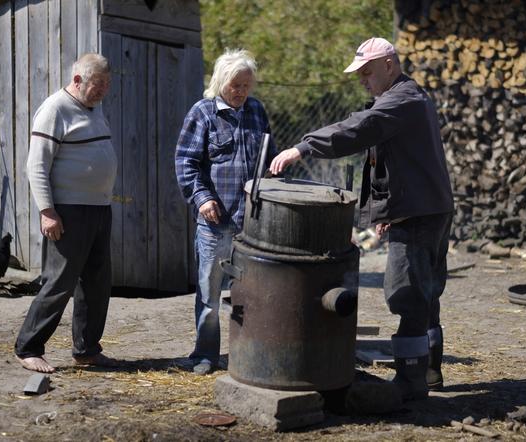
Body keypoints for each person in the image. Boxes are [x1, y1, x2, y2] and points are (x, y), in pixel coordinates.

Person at [270, 37, 454, 400]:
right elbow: (397, 163)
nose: (362, 80)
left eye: (367, 72)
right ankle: (429, 373)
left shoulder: (401, 100)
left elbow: (357, 129)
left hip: (419, 214)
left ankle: (410, 382)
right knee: (426, 295)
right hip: (424, 207)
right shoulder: (404, 99)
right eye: (359, 74)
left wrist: (302, 147)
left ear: (389, 64)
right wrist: (388, 212)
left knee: (407, 294)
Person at [15, 53, 118, 373]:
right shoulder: (54, 109)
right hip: (68, 211)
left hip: (99, 208)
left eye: (106, 85)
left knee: (97, 283)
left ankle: (86, 349)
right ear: (77, 80)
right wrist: (47, 211)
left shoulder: (94, 108)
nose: (102, 90)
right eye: (97, 84)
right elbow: (36, 165)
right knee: (59, 283)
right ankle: (28, 347)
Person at [175, 49, 276, 375]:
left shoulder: (257, 111)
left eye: (246, 85)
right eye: (236, 85)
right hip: (215, 222)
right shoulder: (203, 113)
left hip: (252, 222)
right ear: (221, 81)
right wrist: (202, 198)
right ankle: (205, 355)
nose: (241, 91)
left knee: (250, 292)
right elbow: (186, 162)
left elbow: (268, 158)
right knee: (210, 293)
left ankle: (247, 353)